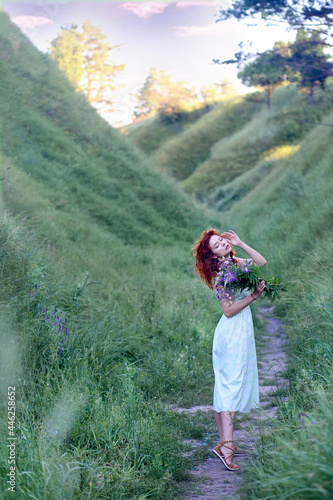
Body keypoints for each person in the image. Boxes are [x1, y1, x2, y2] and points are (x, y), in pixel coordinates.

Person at [191, 228, 267, 471]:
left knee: (227, 386)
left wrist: (241, 242)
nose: (223, 243)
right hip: (230, 333)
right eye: (216, 244)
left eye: (222, 240)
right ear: (211, 255)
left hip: (242, 331)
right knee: (231, 386)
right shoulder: (222, 275)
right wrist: (254, 296)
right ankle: (227, 447)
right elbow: (228, 310)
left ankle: (224, 443)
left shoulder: (236, 263)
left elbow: (261, 262)